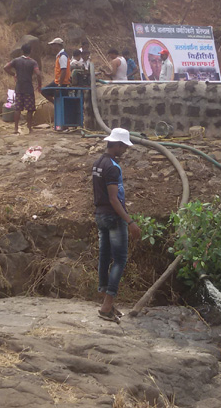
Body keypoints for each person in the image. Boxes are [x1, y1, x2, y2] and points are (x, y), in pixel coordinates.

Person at [92, 128, 140, 322]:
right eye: (124, 147)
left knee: (104, 257)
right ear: (117, 145)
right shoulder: (112, 167)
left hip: (100, 215)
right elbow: (114, 198)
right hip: (113, 217)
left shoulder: (98, 163)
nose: (125, 150)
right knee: (119, 260)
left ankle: (106, 301)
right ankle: (107, 306)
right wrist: (130, 221)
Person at [3, 43, 42, 134]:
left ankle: (16, 128)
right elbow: (38, 74)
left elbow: (5, 67)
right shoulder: (33, 62)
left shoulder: (16, 60)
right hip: (28, 88)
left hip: (19, 88)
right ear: (30, 51)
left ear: (22, 51)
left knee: (18, 109)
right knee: (30, 109)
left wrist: (14, 74)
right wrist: (39, 85)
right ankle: (29, 128)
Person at [40, 38, 70, 103]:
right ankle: (56, 104)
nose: (52, 47)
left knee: (44, 91)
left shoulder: (63, 56)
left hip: (62, 82)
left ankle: (56, 104)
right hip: (58, 81)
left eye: (53, 45)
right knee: (44, 91)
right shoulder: (60, 56)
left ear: (57, 45)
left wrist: (60, 85)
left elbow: (63, 71)